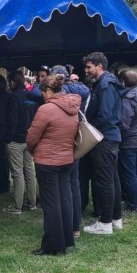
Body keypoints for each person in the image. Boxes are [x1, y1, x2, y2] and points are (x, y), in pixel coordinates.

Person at [27, 75, 80, 255]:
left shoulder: (46, 109)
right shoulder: (73, 106)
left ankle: (52, 245)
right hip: (67, 159)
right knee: (65, 200)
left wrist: (31, 149)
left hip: (47, 161)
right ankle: (65, 240)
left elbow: (32, 137)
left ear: (49, 91)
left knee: (51, 204)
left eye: (42, 92)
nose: (42, 95)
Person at [82, 52, 124, 235]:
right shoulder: (107, 83)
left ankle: (105, 223)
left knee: (105, 181)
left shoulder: (105, 85)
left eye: (89, 67)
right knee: (113, 179)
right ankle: (115, 219)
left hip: (104, 138)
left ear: (100, 66)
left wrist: (89, 128)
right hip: (111, 137)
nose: (86, 70)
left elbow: (105, 115)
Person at [50, 65, 90, 238]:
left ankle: (65, 225)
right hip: (76, 140)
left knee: (62, 185)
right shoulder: (80, 91)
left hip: (61, 143)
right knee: (74, 183)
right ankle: (75, 225)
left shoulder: (60, 94)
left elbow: (35, 92)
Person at [3, 70, 39, 215]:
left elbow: (13, 120)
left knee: (17, 173)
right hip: (29, 138)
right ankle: (32, 203)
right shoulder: (31, 96)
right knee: (30, 171)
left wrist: (8, 138)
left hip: (16, 139)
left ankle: (17, 206)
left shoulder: (13, 97)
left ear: (12, 81)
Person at [117, 71, 137, 211]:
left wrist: (120, 138)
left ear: (123, 82)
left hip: (129, 140)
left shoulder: (127, 99)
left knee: (129, 173)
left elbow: (124, 123)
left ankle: (133, 205)